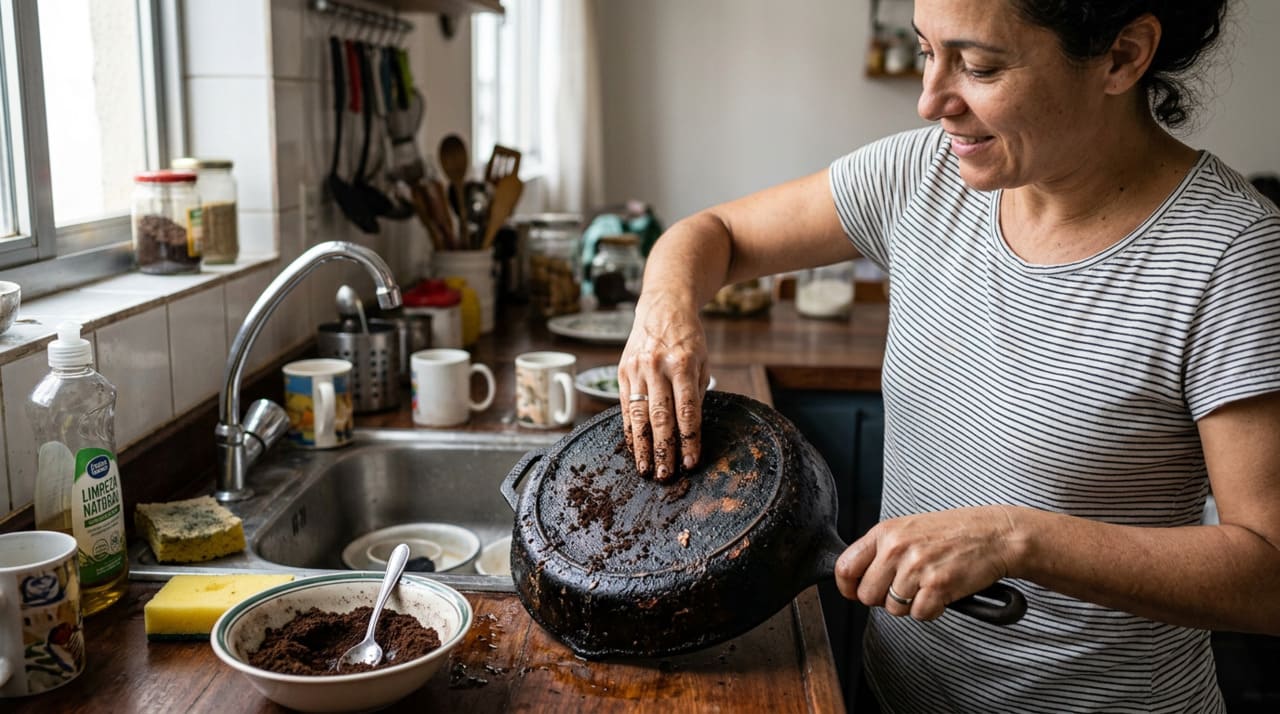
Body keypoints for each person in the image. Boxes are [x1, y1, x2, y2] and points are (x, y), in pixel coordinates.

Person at [616, 0, 1280, 711]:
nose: (932, 100)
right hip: (895, 691)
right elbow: (712, 233)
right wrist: (664, 314)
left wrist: (1018, 538)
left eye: (980, 65)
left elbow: (1268, 575)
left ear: (1122, 56)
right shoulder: (920, 176)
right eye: (927, 50)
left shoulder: (1233, 256)